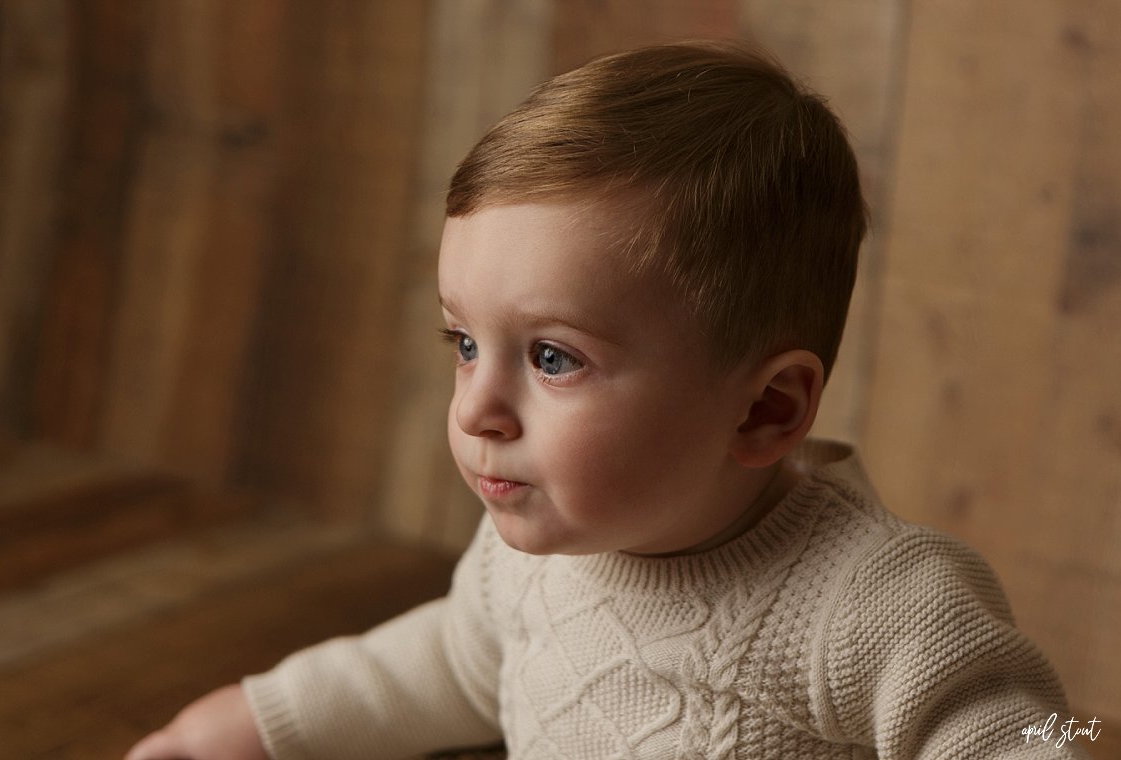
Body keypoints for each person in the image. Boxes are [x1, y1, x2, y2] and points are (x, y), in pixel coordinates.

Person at [127, 41, 1083, 759]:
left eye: (551, 357)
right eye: (465, 343)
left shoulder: (875, 601)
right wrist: (249, 727)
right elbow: (449, 667)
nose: (476, 410)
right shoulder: (533, 561)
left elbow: (1037, 737)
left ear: (765, 412)